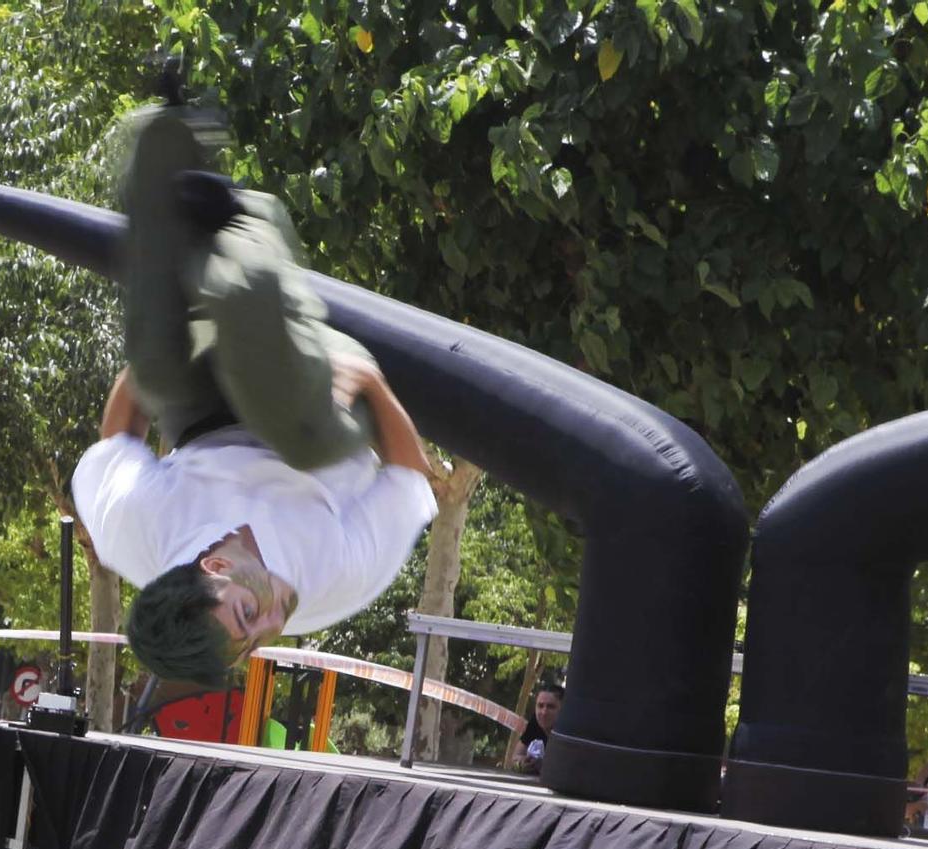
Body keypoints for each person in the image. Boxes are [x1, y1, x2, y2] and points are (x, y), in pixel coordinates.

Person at [70, 98, 438, 688]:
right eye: (254, 643)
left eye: (247, 615)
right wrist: (370, 381)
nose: (272, 623)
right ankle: (242, 217)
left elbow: (117, 440)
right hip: (319, 410)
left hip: (202, 419)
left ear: (211, 566)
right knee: (265, 352)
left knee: (157, 373)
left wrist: (152, 364)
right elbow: (411, 478)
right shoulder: (333, 581)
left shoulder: (135, 531)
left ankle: (166, 140)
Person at [508, 683, 564, 775]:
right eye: (540, 706)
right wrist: (521, 764)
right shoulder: (535, 723)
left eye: (551, 707)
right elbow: (514, 758)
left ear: (563, 709)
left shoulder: (570, 732)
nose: (544, 712)